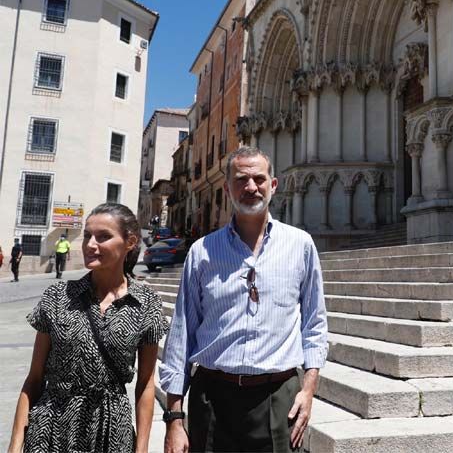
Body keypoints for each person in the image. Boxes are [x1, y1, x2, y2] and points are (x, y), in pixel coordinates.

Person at [160, 146, 327, 453]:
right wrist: (174, 418)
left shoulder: (300, 245)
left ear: (273, 185)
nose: (251, 187)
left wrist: (309, 389)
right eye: (241, 180)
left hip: (278, 397)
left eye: (259, 179)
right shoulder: (202, 252)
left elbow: (315, 323)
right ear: (227, 189)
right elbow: (181, 334)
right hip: (212, 398)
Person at [7, 203, 168, 453]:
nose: (90, 244)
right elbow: (35, 379)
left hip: (111, 431)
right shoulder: (57, 297)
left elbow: (146, 384)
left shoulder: (146, 303)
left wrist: (142, 448)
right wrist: (16, 444)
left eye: (103, 237)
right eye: (87, 236)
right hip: (50, 429)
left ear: (130, 242)